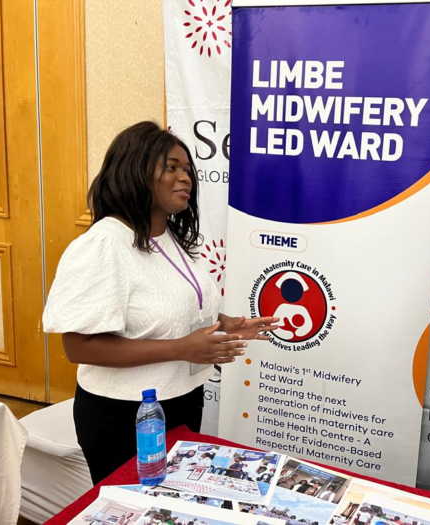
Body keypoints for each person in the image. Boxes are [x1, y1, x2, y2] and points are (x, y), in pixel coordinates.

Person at [42, 121, 278, 484]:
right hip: (124, 416)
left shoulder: (170, 237)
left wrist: (225, 322)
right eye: (171, 167)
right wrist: (182, 348)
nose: (185, 178)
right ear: (134, 170)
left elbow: (163, 303)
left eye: (187, 170)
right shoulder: (104, 244)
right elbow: (78, 346)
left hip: (183, 400)